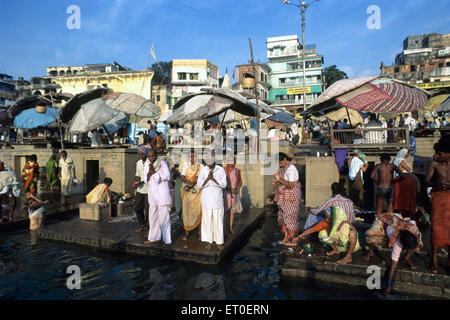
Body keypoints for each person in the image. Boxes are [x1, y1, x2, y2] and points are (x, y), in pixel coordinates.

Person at [364, 212, 422, 297]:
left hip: (397, 219)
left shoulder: (413, 229)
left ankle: (406, 257)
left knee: (419, 243)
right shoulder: (397, 244)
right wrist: (389, 284)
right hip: (384, 221)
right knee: (371, 234)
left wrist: (417, 243)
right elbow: (393, 265)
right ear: (403, 246)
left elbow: (412, 222)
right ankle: (371, 250)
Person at [425, 135, 450, 274]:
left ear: (448, 153)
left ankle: (449, 260)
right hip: (438, 199)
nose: (437, 155)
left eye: (440, 153)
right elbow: (427, 180)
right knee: (435, 228)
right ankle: (434, 259)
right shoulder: (434, 164)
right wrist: (437, 184)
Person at [197, 152, 227, 250]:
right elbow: (199, 185)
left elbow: (224, 185)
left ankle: (219, 242)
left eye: (211, 160)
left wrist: (213, 179)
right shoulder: (203, 170)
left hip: (217, 199)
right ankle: (209, 241)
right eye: (207, 160)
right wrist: (208, 179)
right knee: (207, 221)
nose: (209, 162)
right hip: (206, 199)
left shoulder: (220, 169)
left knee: (218, 221)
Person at [144, 149, 172, 245]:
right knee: (152, 216)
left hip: (162, 194)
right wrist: (149, 172)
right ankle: (153, 238)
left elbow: (167, 176)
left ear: (156, 155)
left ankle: (167, 240)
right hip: (152, 194)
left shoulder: (162, 163)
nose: (150, 158)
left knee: (164, 217)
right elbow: (145, 179)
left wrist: (155, 173)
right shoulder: (147, 164)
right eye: (149, 156)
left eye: (152, 156)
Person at [273, 153, 302, 247]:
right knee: (282, 218)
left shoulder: (291, 169)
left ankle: (293, 241)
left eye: (280, 162)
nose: (279, 164)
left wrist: (279, 180)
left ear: (285, 160)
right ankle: (286, 237)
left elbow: (290, 185)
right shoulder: (283, 168)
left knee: (290, 219)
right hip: (283, 196)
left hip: (291, 197)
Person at [180, 151, 203, 240]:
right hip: (187, 190)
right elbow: (182, 176)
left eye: (194, 156)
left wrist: (193, 183)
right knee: (186, 211)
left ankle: (200, 232)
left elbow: (200, 177)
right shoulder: (186, 164)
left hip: (196, 191)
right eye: (191, 157)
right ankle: (187, 232)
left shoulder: (200, 166)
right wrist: (187, 182)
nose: (192, 158)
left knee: (197, 211)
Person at [133, 146, 150, 233]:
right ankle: (142, 224)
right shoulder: (138, 163)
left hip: (148, 189)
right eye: (139, 154)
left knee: (147, 210)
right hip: (140, 189)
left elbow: (150, 176)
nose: (141, 156)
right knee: (137, 208)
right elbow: (137, 174)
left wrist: (141, 182)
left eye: (142, 154)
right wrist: (136, 182)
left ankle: (148, 227)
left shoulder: (150, 163)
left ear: (146, 154)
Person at [224, 157, 242, 234]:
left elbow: (240, 182)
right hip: (226, 192)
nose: (231, 162)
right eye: (229, 161)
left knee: (232, 211)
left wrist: (237, 188)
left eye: (233, 161)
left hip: (234, 193)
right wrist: (231, 189)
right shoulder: (223, 170)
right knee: (225, 211)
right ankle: (224, 227)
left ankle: (230, 228)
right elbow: (223, 183)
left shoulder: (237, 171)